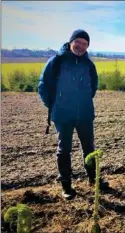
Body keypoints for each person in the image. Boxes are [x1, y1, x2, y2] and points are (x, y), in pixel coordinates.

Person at [38, 29, 109, 199]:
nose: (81, 46)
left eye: (85, 44)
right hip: (62, 115)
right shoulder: (56, 62)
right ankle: (66, 186)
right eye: (78, 42)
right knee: (64, 150)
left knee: (89, 148)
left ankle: (94, 179)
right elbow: (43, 87)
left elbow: (93, 86)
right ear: (71, 42)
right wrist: (55, 105)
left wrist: (84, 100)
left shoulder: (88, 65)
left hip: (85, 113)